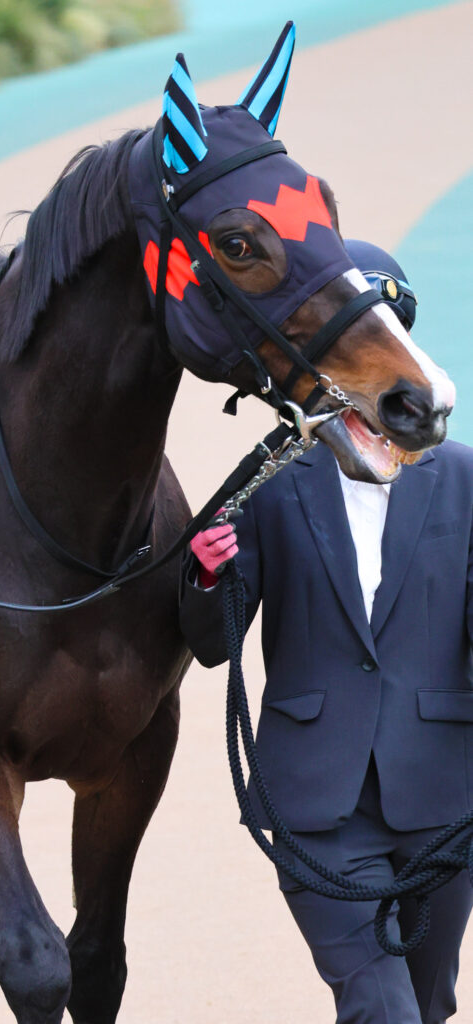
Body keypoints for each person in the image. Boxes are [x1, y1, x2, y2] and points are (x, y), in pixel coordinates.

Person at [180, 240, 473, 1024]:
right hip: (316, 800)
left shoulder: (466, 478)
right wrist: (207, 576)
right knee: (379, 1006)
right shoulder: (271, 486)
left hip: (444, 793)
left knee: (427, 1001)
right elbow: (212, 643)